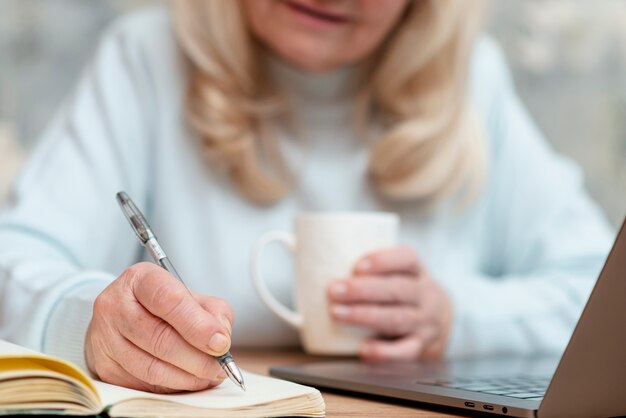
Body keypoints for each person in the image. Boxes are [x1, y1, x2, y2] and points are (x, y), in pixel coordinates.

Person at [0, 0, 613, 395]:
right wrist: (92, 322)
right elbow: (16, 258)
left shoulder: (473, 81)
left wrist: (459, 316)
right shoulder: (147, 59)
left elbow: (599, 289)